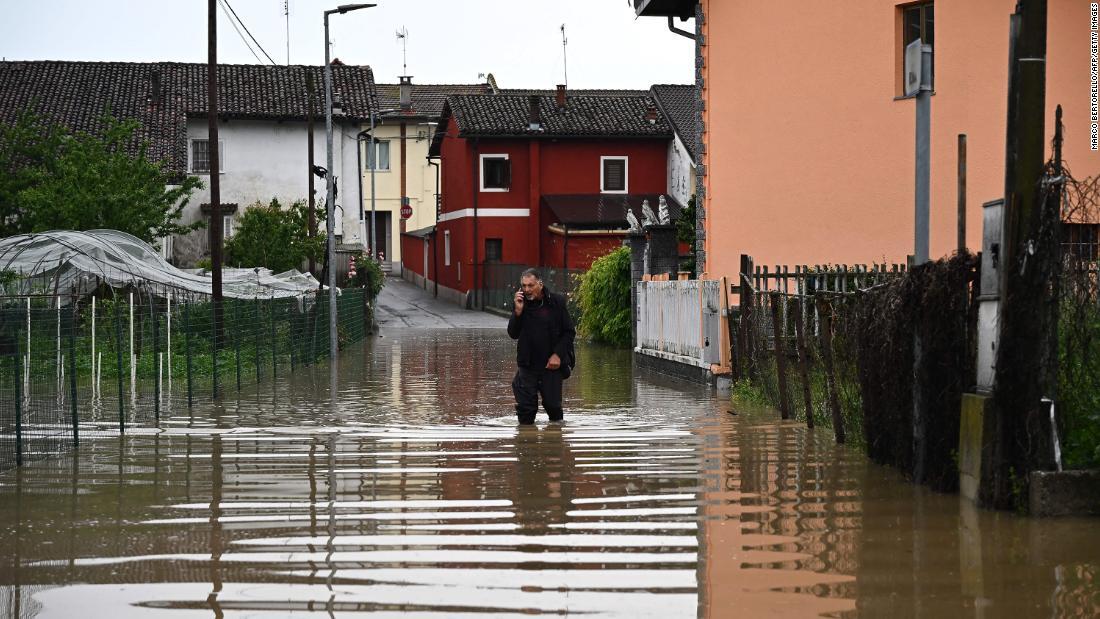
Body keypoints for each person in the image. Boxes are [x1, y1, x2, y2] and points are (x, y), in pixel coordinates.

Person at [507, 268, 576, 425]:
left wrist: (557, 355)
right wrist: (517, 313)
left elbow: (569, 332)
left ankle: (555, 444)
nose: (527, 290)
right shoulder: (520, 304)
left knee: (554, 408)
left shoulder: (557, 302)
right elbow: (513, 333)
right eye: (523, 286)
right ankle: (526, 444)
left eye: (530, 285)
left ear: (540, 283)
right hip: (527, 365)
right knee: (526, 410)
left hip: (551, 366)